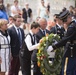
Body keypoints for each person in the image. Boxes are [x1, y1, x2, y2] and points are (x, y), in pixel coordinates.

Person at [47, 10, 76, 75]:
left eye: (65, 21)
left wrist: (53, 47)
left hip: (71, 52)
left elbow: (65, 39)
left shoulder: (72, 27)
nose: (64, 23)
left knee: (66, 71)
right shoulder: (74, 25)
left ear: (69, 18)